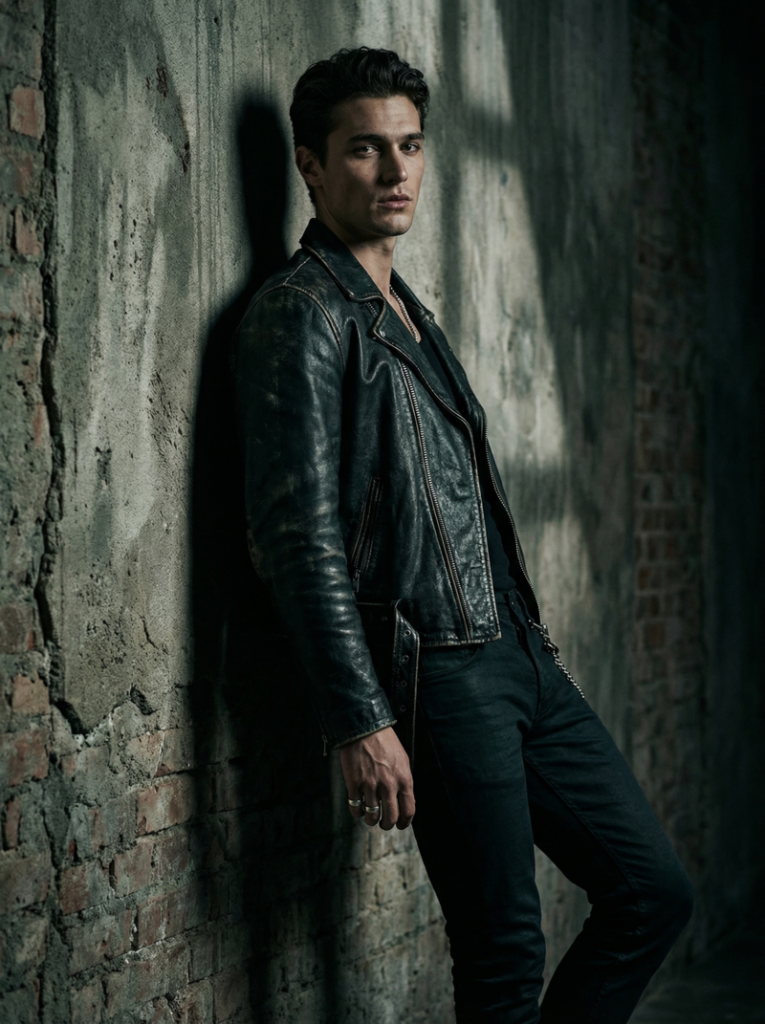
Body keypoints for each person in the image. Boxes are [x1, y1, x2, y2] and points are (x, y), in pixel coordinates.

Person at [232, 46, 693, 1024]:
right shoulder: (302, 314)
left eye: (409, 146)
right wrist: (360, 716)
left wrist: (529, 643)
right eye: (366, 150)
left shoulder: (408, 312)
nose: (397, 171)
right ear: (311, 165)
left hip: (519, 658)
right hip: (435, 674)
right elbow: (295, 533)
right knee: (504, 960)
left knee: (654, 891)